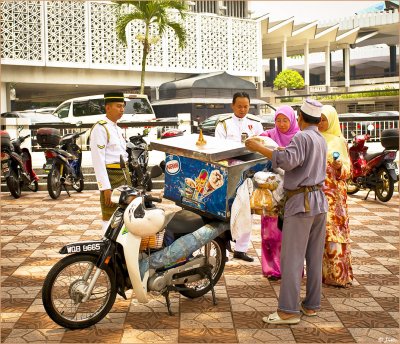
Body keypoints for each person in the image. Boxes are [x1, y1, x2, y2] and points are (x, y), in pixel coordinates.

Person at [245, 98, 328, 325]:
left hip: (301, 203)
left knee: (291, 258)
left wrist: (259, 147)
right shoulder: (320, 138)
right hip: (319, 202)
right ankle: (311, 305)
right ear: (319, 120)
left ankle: (288, 311)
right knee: (313, 257)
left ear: (299, 117)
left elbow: (287, 161)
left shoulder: (302, 136)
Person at [215, 91, 264, 262]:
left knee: (247, 209)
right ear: (232, 106)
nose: (243, 109)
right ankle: (224, 250)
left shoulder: (256, 124)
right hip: (228, 171)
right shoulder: (224, 124)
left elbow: (262, 146)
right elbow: (218, 148)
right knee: (224, 210)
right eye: (239, 106)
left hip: (249, 171)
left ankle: (241, 248)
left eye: (246, 106)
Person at [259, 105, 300, 279]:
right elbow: (258, 142)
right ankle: (272, 270)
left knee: (291, 233)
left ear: (292, 120)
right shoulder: (270, 135)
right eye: (278, 120)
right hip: (272, 190)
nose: (282, 124)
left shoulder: (299, 137)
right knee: (270, 231)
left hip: (293, 191)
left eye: (285, 120)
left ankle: (293, 269)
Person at [319, 105, 353, 287]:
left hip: (336, 196)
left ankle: (338, 275)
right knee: (319, 233)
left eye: (324, 119)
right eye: (319, 119)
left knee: (335, 233)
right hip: (317, 192)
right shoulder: (313, 138)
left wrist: (340, 166)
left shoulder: (340, 141)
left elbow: (349, 171)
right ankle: (321, 275)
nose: (321, 123)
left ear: (332, 120)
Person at [90, 92, 131, 233]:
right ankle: (107, 251)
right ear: (108, 107)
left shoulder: (117, 129)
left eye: (123, 106)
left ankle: (120, 250)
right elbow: (98, 160)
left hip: (124, 175)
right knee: (110, 217)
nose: (122, 110)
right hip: (111, 177)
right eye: (119, 106)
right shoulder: (100, 128)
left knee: (125, 216)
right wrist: (105, 187)